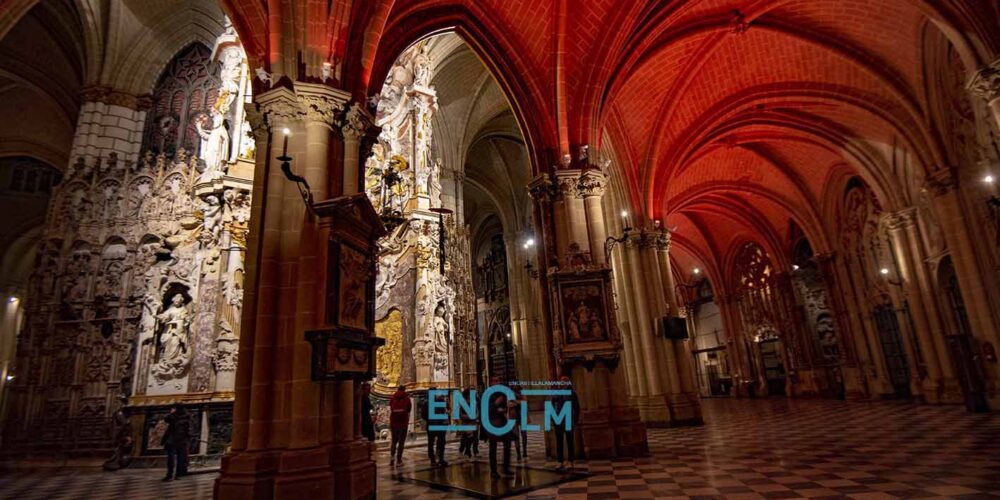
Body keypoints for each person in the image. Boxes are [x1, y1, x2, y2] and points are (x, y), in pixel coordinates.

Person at [551, 376, 580, 470]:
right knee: (559, 442)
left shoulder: (572, 393)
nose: (562, 383)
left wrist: (575, 419)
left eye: (564, 381)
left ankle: (570, 461)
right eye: (561, 381)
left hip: (568, 419)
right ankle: (560, 461)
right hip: (558, 420)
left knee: (570, 441)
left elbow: (576, 407)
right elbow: (552, 406)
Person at [487, 377, 512, 478]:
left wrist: (505, 408)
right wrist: (496, 404)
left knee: (508, 443)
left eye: (499, 381)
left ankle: (506, 468)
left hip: (502, 422)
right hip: (492, 423)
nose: (498, 383)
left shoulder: (501, 393)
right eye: (496, 381)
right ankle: (493, 471)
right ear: (491, 382)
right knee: (493, 447)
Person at [161, 404, 191, 481]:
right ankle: (178, 475)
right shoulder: (187, 416)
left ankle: (170, 475)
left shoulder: (173, 416)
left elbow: (165, 419)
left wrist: (172, 413)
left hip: (172, 440)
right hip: (182, 440)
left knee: (171, 458)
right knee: (180, 458)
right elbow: (189, 429)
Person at [420, 393, 448, 467]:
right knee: (441, 442)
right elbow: (444, 411)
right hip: (440, 425)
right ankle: (440, 459)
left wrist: (429, 420)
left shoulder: (426, 402)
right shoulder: (441, 401)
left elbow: (423, 415)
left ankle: (433, 460)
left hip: (432, 424)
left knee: (431, 443)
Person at [389, 385, 411, 467]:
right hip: (403, 423)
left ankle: (391, 458)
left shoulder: (393, 398)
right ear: (404, 390)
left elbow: (391, 407)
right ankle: (399, 460)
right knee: (401, 442)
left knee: (394, 441)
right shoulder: (406, 399)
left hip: (394, 423)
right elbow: (409, 409)